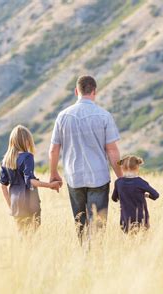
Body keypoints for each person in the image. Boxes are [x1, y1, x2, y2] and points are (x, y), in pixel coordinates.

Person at [49, 75, 123, 241]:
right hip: (98, 177)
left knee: (80, 225)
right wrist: (121, 178)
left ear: (76, 91)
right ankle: (94, 257)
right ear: (94, 92)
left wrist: (53, 173)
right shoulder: (104, 116)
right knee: (97, 226)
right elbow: (112, 150)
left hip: (74, 177)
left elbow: (54, 150)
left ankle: (84, 258)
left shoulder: (63, 116)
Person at [0, 125, 61, 232]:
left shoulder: (5, 160)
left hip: (15, 202)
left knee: (22, 234)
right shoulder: (27, 157)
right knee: (32, 234)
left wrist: (10, 205)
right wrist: (50, 185)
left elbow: (3, 186)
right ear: (27, 141)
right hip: (29, 201)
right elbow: (30, 181)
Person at [111, 155, 159, 233]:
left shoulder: (118, 182)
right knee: (142, 240)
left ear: (122, 167)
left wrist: (123, 196)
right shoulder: (141, 182)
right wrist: (147, 195)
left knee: (129, 241)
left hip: (125, 219)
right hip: (141, 219)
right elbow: (156, 195)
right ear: (137, 167)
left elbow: (114, 198)